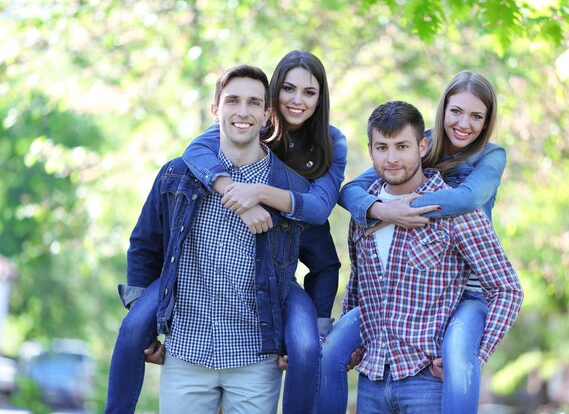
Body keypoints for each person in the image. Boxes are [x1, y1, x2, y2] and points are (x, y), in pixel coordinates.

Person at [107, 65, 311, 413]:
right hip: (186, 352)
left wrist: (302, 334)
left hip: (255, 357)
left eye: (253, 103)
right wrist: (144, 318)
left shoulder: (290, 189)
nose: (242, 111)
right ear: (216, 109)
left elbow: (323, 263)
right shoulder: (176, 175)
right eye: (232, 101)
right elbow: (144, 244)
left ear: (266, 115)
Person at [318, 71, 512, 414]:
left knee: (457, 354)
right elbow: (351, 193)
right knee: (328, 351)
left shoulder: (489, 158)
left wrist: (408, 209)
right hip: (378, 370)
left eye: (476, 116)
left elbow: (467, 199)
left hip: (469, 291)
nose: (464, 123)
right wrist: (381, 210)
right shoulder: (410, 150)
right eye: (456, 112)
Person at [180, 50, 347, 414]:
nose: (297, 100)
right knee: (132, 331)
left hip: (290, 262)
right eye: (288, 89)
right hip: (236, 265)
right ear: (272, 96)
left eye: (309, 92)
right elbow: (193, 150)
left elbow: (319, 210)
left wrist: (257, 192)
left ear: (321, 98)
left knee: (306, 347)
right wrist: (229, 187)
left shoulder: (331, 142)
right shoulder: (249, 124)